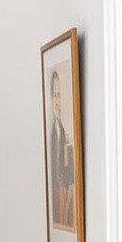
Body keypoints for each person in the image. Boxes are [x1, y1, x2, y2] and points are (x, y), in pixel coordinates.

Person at [48, 69, 74, 230]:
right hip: (57, 193)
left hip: (64, 188)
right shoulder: (53, 131)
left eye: (59, 96)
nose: (57, 101)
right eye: (54, 96)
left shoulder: (62, 129)